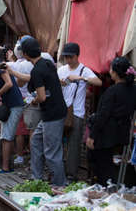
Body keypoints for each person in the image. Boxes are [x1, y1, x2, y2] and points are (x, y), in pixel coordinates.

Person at [22, 36, 67, 186]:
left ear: (26, 54)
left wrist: (33, 101)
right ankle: (37, 177)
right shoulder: (47, 64)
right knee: (35, 141)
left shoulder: (37, 70)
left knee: (52, 152)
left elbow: (41, 97)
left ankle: (59, 185)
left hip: (52, 114)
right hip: (56, 111)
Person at [86, 57, 135, 185]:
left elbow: (103, 116)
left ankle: (106, 188)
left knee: (102, 165)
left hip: (107, 133)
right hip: (122, 132)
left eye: (111, 68)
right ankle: (114, 187)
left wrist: (92, 136)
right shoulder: (133, 90)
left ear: (115, 72)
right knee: (109, 163)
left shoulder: (112, 91)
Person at [57, 42, 102, 181]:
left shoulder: (84, 70)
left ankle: (71, 174)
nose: (68, 60)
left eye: (70, 57)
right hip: (61, 111)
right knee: (57, 143)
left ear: (77, 56)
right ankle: (58, 171)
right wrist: (60, 82)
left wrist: (82, 78)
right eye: (66, 57)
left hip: (77, 113)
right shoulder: (62, 70)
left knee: (74, 144)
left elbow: (98, 82)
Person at [6, 37, 34, 165]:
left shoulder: (15, 65)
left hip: (20, 100)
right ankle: (33, 156)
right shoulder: (35, 63)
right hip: (34, 100)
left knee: (19, 131)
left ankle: (20, 155)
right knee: (32, 130)